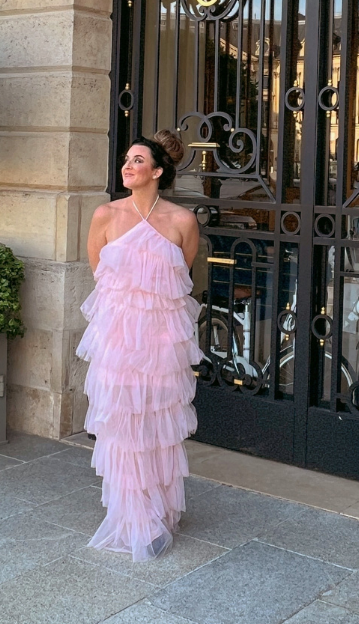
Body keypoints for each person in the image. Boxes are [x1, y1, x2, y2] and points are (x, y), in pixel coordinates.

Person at [77, 130, 201, 560]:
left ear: (158, 171)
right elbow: (100, 272)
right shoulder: (105, 215)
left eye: (137, 161)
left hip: (162, 342)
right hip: (116, 341)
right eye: (126, 160)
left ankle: (159, 510)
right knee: (124, 427)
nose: (127, 167)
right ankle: (134, 517)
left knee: (156, 427)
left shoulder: (182, 221)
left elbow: (179, 280)